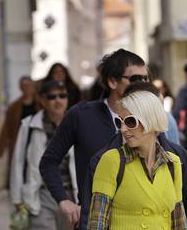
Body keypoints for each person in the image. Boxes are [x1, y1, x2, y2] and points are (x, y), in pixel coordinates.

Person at [39, 48, 148, 228]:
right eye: (136, 79)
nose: (143, 84)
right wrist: (64, 201)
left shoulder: (152, 119)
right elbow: (49, 161)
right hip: (94, 221)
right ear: (112, 81)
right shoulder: (81, 115)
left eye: (145, 78)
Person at [80, 81, 187, 230]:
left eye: (130, 121)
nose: (123, 129)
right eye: (120, 122)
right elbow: (96, 224)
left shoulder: (173, 163)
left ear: (150, 120)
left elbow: (179, 222)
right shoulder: (111, 160)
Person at [11, 80, 76, 230]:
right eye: (52, 97)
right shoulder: (29, 125)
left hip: (71, 193)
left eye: (62, 95)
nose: (58, 100)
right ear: (42, 100)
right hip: (41, 194)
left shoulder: (76, 124)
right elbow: (18, 162)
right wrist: (16, 197)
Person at [0, 76, 40, 187]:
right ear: (20, 88)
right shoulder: (14, 106)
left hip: (37, 140)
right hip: (20, 141)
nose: (26, 88)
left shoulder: (40, 104)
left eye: (28, 85)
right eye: (24, 86)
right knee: (21, 167)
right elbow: (6, 127)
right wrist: (1, 148)